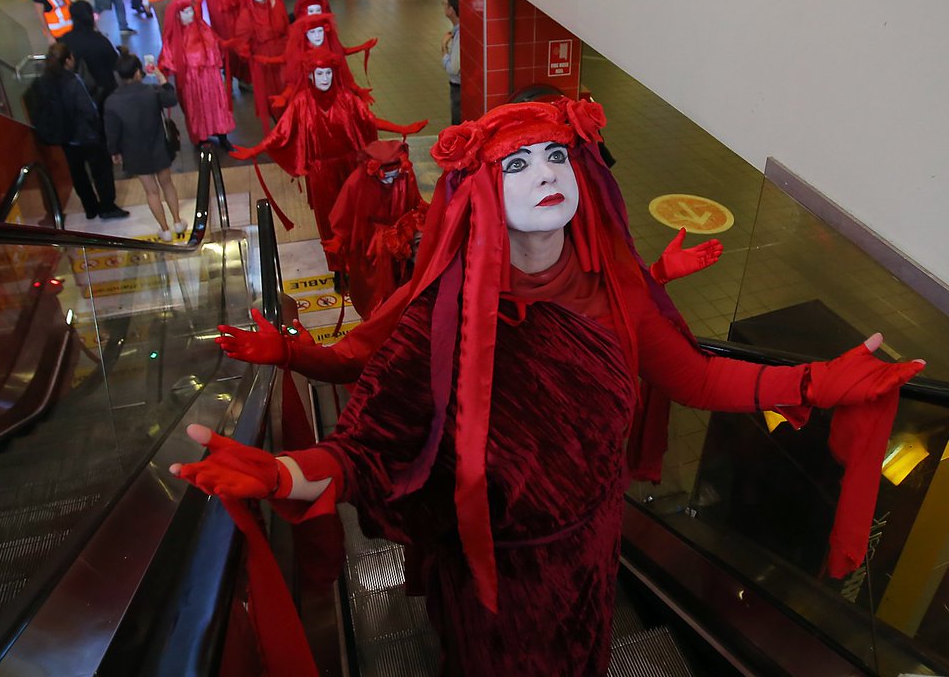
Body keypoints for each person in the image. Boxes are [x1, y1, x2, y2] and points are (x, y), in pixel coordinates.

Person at [176, 100, 925, 676]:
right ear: (479, 194)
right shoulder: (451, 306)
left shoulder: (616, 284)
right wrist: (287, 472)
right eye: (517, 164)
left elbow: (697, 376)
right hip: (496, 570)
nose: (543, 175)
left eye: (556, 157)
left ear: (582, 174)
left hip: (591, 548)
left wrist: (818, 378)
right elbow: (374, 435)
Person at [232, 49, 426, 249]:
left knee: (357, 213)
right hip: (321, 173)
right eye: (319, 73)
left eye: (328, 73)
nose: (325, 78)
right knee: (328, 218)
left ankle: (357, 256)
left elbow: (369, 120)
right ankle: (337, 264)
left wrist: (402, 128)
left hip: (351, 168)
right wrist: (255, 150)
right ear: (310, 75)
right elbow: (280, 133)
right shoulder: (301, 102)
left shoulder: (346, 99)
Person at [325, 139, 428, 319]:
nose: (390, 180)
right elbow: (345, 210)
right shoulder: (357, 181)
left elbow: (414, 200)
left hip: (400, 236)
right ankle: (375, 316)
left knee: (399, 281)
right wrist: (339, 238)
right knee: (374, 285)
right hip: (371, 241)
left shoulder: (404, 175)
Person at [29, 43, 128, 221]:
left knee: (78, 174)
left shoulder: (43, 81)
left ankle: (90, 208)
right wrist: (98, 125)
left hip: (65, 138)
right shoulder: (73, 81)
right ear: (68, 60)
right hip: (86, 135)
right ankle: (107, 207)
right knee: (101, 171)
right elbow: (88, 110)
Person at [104, 52, 185, 242]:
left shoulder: (112, 102)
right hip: (158, 146)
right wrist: (162, 79)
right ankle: (177, 221)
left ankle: (164, 230)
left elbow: (112, 132)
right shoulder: (153, 92)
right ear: (138, 73)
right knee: (167, 184)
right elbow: (171, 99)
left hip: (134, 152)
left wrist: (114, 151)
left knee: (151, 192)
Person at [157, 0, 235, 150]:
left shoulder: (203, 27)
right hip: (192, 81)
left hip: (211, 77)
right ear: (178, 16)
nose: (190, 15)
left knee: (217, 107)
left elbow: (215, 44)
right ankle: (201, 139)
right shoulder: (174, 37)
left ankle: (222, 136)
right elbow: (167, 60)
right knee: (197, 109)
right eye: (185, 12)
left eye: (190, 10)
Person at [233, 0, 289, 132]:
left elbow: (286, 30)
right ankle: (281, 128)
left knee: (287, 88)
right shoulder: (246, 14)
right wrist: (247, 51)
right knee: (270, 95)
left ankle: (291, 124)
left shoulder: (277, 5)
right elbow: (241, 40)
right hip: (262, 60)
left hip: (281, 54)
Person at [59, 0, 119, 111]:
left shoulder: (65, 40)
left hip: (77, 95)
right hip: (104, 94)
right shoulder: (100, 41)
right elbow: (116, 64)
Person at [443, 0, 461, 124]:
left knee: (457, 122)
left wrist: (443, 50)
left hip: (458, 87)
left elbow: (454, 69)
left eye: (445, 4)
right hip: (460, 87)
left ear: (451, 10)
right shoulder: (458, 32)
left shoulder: (459, 35)